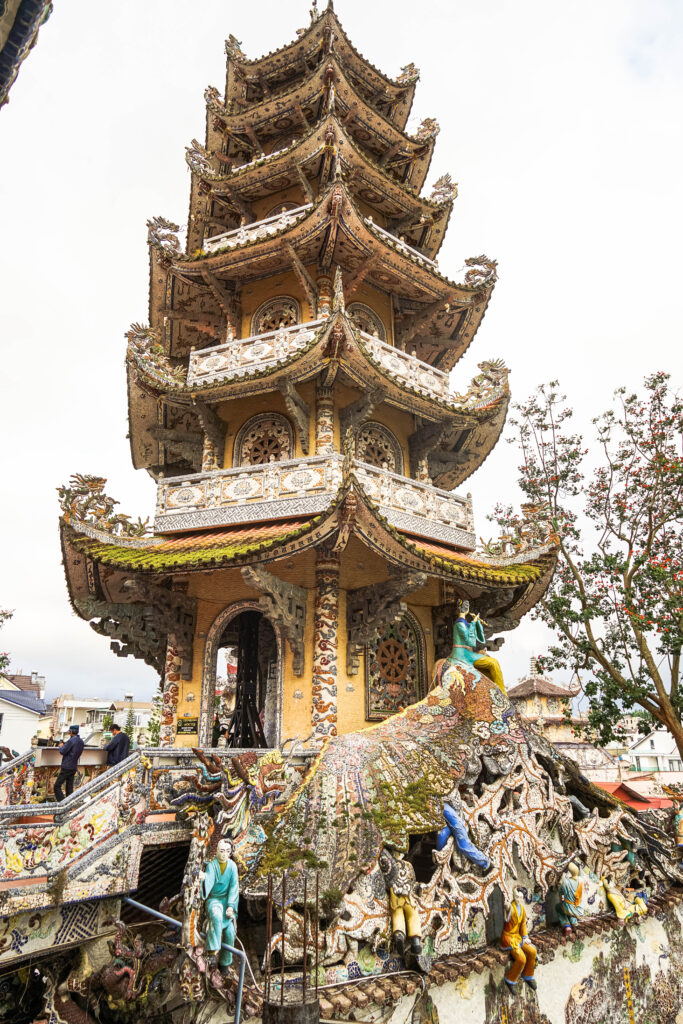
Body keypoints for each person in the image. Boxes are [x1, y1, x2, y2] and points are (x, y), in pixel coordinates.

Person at [200, 837, 239, 970]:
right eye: (221, 851)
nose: (223, 854)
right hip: (214, 899)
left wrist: (230, 906)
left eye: (227, 851)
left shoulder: (233, 867)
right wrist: (204, 878)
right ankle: (211, 951)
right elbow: (209, 879)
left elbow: (234, 887)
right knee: (216, 915)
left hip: (226, 900)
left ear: (230, 853)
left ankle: (225, 963)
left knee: (230, 933)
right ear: (216, 851)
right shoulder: (212, 865)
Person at [449, 600, 505, 693]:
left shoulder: (464, 623)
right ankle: (503, 693)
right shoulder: (459, 623)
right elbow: (469, 640)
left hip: (467, 653)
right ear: (466, 610)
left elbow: (478, 638)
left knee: (487, 670)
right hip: (462, 654)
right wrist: (474, 623)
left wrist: (478, 623)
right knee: (493, 663)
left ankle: (492, 692)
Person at [501, 888, 537, 993]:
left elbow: (523, 925)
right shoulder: (510, 907)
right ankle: (510, 979)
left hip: (518, 937)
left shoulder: (522, 908)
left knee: (532, 951)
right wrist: (506, 904)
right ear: (513, 896)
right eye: (517, 897)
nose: (519, 899)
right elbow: (507, 907)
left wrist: (525, 937)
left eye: (521, 897)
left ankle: (528, 975)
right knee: (521, 959)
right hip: (508, 938)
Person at [55, 725, 85, 801]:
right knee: (69, 787)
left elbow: (62, 751)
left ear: (71, 732)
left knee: (57, 786)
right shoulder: (81, 741)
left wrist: (61, 746)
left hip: (67, 766)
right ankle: (69, 806)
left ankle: (62, 804)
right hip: (74, 766)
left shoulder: (71, 740)